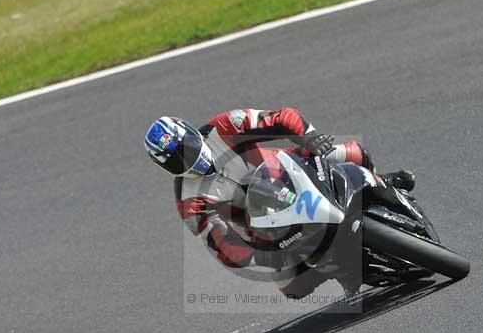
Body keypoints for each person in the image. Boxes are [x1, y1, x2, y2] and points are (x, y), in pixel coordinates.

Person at [143, 107, 414, 298]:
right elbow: (220, 243)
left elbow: (280, 118)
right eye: (177, 160)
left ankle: (381, 183)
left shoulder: (224, 126)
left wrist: (308, 136)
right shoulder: (189, 201)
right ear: (164, 167)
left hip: (290, 170)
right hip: (263, 222)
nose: (188, 159)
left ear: (191, 132)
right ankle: (343, 271)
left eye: (188, 146)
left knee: (351, 152)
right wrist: (254, 255)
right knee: (291, 286)